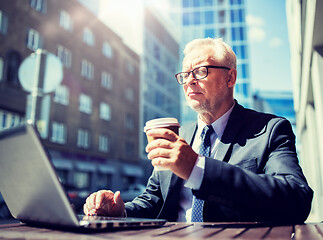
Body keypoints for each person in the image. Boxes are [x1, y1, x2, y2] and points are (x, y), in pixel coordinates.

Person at [83, 38, 313, 223]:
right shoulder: (178, 136)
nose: (189, 81)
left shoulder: (270, 130)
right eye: (184, 75)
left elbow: (297, 199)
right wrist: (120, 211)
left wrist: (197, 168)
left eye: (201, 71)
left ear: (230, 77)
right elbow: (155, 200)